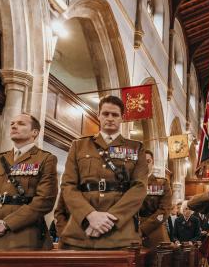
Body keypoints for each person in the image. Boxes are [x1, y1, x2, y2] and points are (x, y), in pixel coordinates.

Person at [60, 96, 148, 249]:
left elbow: (139, 188)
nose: (110, 118)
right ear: (98, 116)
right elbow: (68, 186)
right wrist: (90, 215)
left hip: (120, 235)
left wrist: (110, 220)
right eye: (105, 114)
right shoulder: (79, 146)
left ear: (122, 118)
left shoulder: (136, 148)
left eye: (115, 115)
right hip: (81, 232)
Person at [0, 114, 58, 251]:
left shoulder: (45, 159)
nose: (14, 126)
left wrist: (7, 223)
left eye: (21, 124)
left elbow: (44, 201)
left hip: (21, 236)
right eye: (12, 124)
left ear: (34, 132)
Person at [138, 150, 172, 249]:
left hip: (154, 231)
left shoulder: (161, 183)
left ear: (152, 163)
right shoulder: (130, 183)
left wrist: (142, 229)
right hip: (131, 232)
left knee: (155, 262)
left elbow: (164, 211)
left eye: (148, 161)